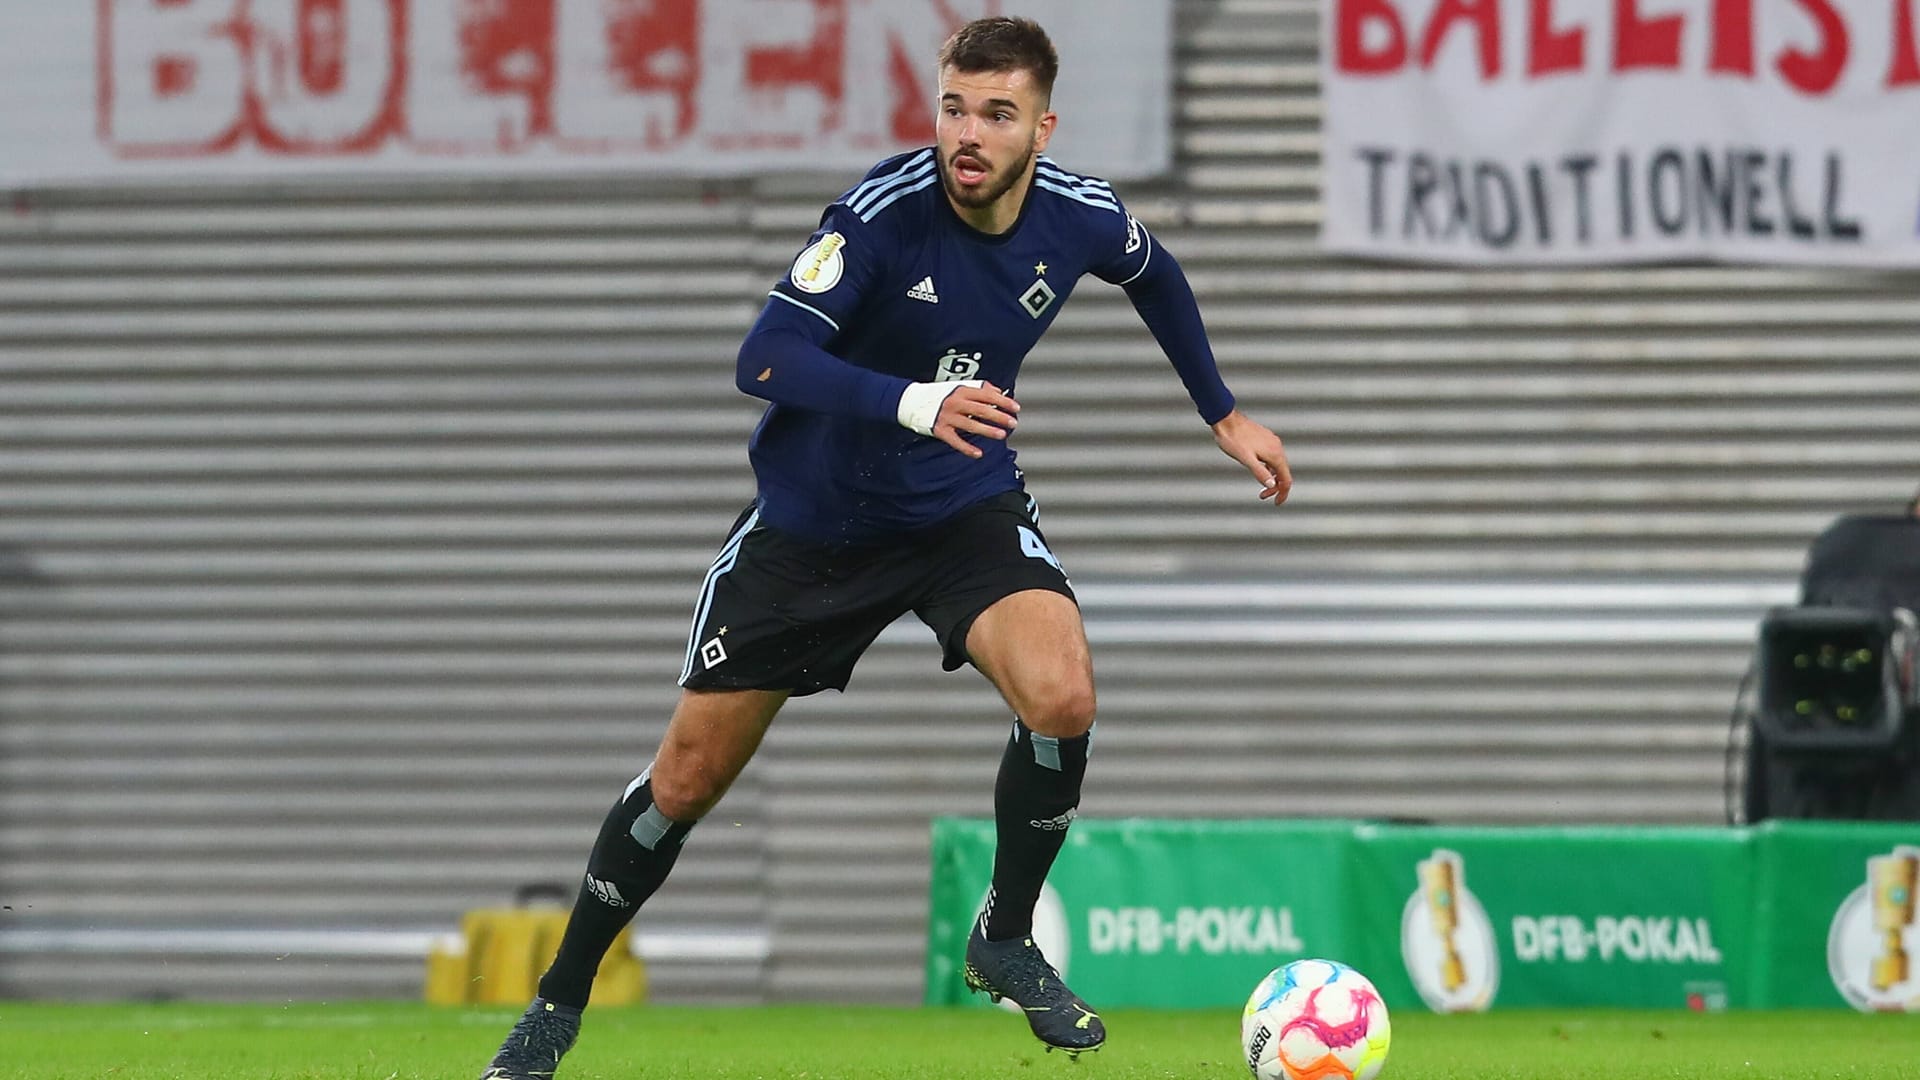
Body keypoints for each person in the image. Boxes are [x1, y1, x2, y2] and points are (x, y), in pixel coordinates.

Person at [479, 16, 1291, 1078]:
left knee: (1063, 692)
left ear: (1042, 127)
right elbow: (762, 358)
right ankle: (556, 1006)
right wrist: (913, 402)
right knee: (686, 778)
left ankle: (1003, 934)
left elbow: (1154, 270)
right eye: (954, 105)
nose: (968, 133)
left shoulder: (1079, 216)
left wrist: (1221, 413)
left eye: (996, 114)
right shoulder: (880, 216)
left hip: (960, 511)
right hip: (814, 529)